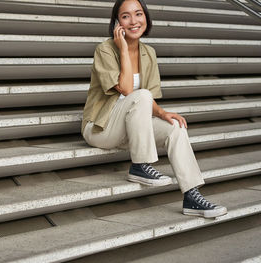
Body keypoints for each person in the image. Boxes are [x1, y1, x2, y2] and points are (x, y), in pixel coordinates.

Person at [81, 0, 227, 218]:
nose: (133, 21)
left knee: (175, 127)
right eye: (125, 16)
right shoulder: (105, 50)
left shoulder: (148, 52)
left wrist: (162, 114)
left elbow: (144, 99)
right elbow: (129, 90)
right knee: (141, 95)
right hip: (100, 128)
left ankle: (191, 196)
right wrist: (122, 49)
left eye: (138, 14)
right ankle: (140, 165)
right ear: (116, 23)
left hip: (129, 127)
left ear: (146, 18)